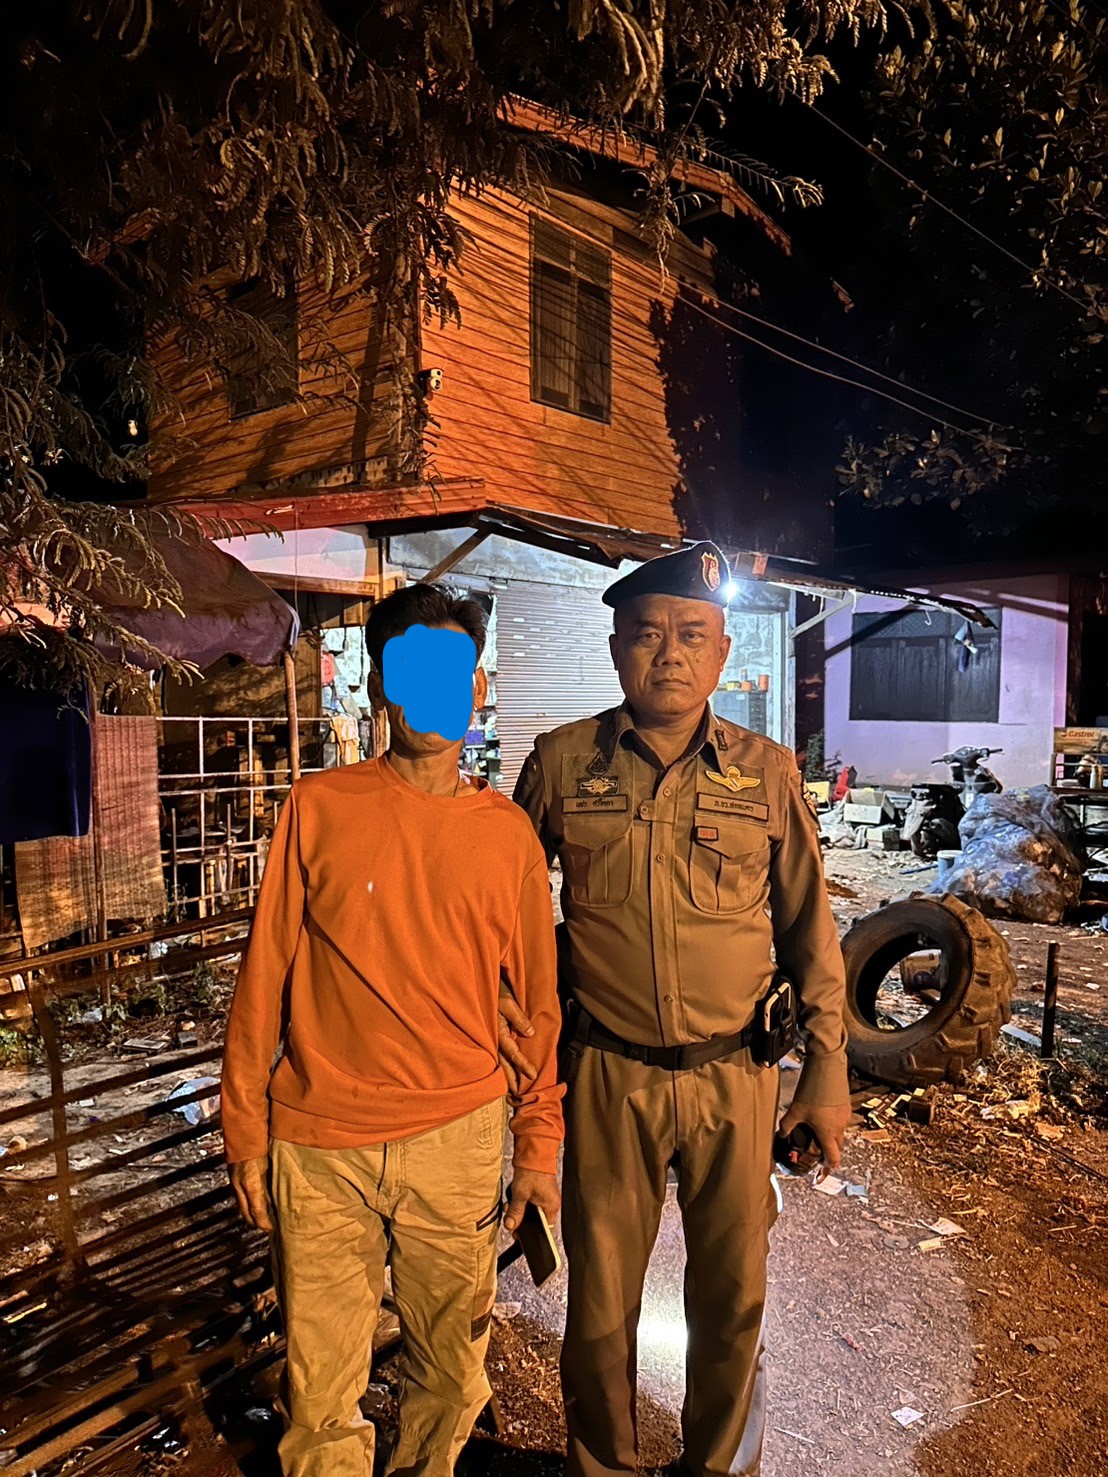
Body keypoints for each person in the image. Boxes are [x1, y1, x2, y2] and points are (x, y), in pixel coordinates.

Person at [508, 541, 850, 1477]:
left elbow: (811, 933)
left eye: (692, 634)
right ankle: (603, 1467)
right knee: (599, 1309)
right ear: (617, 648)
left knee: (733, 1299)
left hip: (734, 1074)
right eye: (648, 634)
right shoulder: (561, 762)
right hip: (605, 1074)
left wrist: (825, 1075)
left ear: (723, 651)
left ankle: (719, 1467)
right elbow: (503, 917)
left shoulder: (767, 773)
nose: (670, 654)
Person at [222, 582, 563, 1477]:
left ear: (477, 686)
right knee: (320, 1396)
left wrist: (538, 1143)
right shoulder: (317, 809)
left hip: (457, 1143)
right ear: (380, 684)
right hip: (319, 1149)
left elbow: (535, 1009)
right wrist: (244, 1131)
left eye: (453, 671)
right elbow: (263, 981)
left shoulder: (509, 837)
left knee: (449, 1379)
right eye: (413, 670)